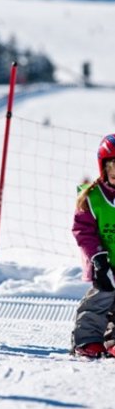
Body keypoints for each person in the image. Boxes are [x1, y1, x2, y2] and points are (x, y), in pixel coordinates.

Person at [71, 133, 115, 358]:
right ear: (104, 167)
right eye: (114, 167)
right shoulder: (92, 196)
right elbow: (83, 231)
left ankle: (113, 340)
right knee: (102, 298)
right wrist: (98, 257)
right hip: (103, 263)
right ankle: (87, 339)